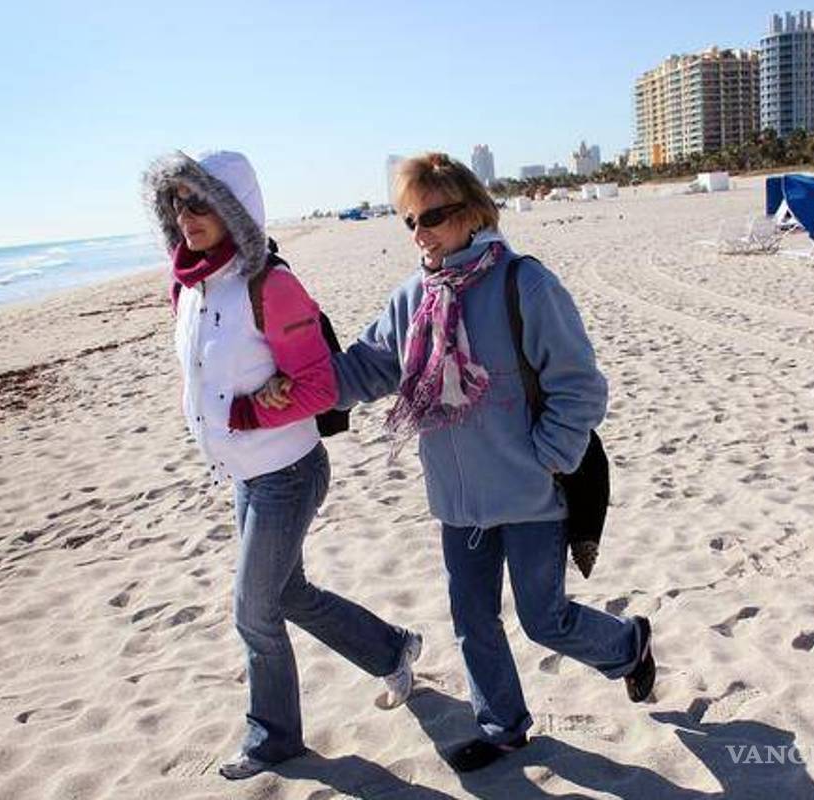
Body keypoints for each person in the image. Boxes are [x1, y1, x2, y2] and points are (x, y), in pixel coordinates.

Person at [262, 152, 655, 773]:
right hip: (457, 501)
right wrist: (295, 384)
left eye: (434, 217)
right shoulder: (413, 299)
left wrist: (547, 459)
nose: (421, 234)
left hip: (531, 495)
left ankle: (629, 645)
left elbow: (581, 386)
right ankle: (503, 727)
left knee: (543, 620)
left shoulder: (525, 284)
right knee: (473, 621)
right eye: (410, 221)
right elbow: (366, 368)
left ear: (472, 212)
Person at [142, 149, 422, 781]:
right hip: (246, 473)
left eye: (202, 201)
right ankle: (391, 647)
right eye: (178, 202)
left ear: (235, 206)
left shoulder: (270, 283)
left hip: (288, 471)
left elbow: (321, 388)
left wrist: (248, 414)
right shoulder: (190, 284)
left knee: (253, 610)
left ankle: (274, 739)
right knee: (287, 592)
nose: (188, 216)